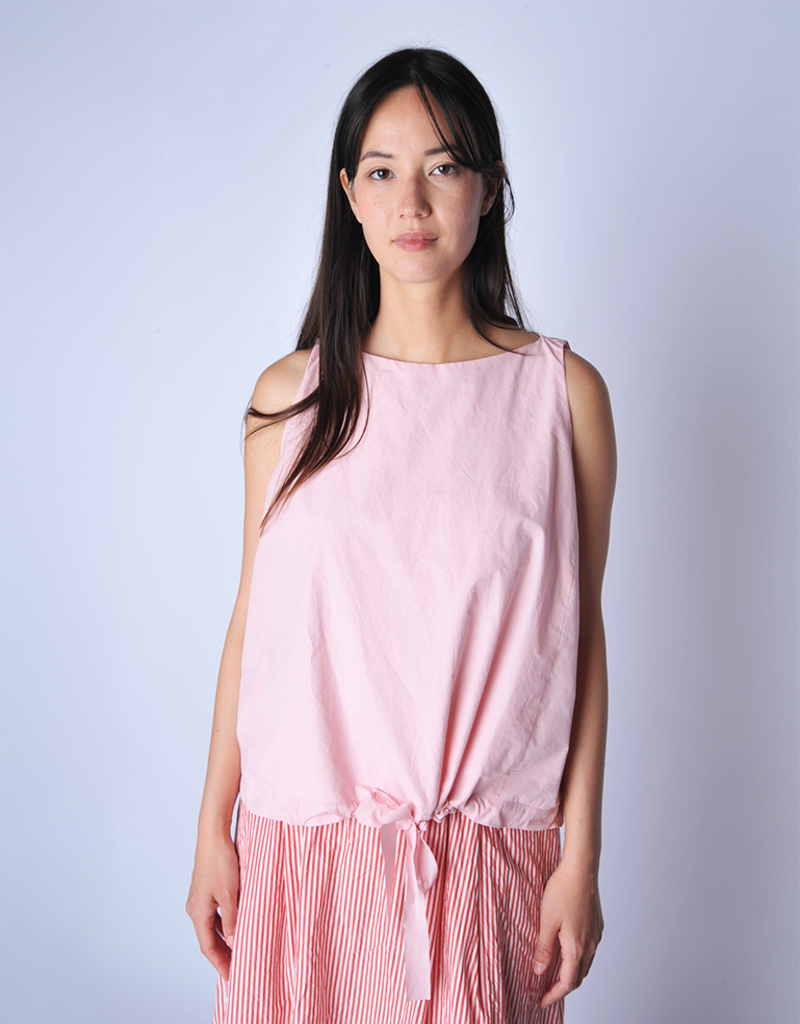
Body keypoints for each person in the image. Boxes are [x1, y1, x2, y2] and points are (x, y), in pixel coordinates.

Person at [187, 47, 616, 1024]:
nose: (411, 203)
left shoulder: (562, 396)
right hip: (299, 860)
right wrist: (213, 825)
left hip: (485, 867)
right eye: (381, 171)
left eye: (443, 166)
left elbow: (579, 638)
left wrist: (580, 856)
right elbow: (253, 623)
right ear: (347, 193)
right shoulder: (288, 398)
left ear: (489, 188)